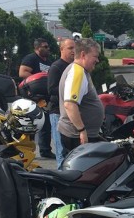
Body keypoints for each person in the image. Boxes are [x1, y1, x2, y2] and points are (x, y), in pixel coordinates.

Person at [58, 38, 104, 154]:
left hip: (80, 135)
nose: (97, 60)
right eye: (95, 56)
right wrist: (82, 130)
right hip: (77, 137)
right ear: (83, 55)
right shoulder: (77, 72)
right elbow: (70, 104)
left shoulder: (79, 71)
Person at [19, 38, 54, 159]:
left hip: (44, 97)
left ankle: (45, 150)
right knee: (29, 123)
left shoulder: (49, 62)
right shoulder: (31, 58)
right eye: (45, 47)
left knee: (45, 123)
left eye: (48, 46)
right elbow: (22, 72)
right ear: (38, 48)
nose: (48, 49)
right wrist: (38, 80)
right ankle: (25, 150)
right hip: (31, 95)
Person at [47, 38, 75, 169]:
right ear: (61, 49)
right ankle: (61, 175)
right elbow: (51, 89)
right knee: (61, 150)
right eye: (70, 48)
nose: (73, 51)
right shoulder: (56, 67)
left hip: (72, 113)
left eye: (75, 48)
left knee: (71, 150)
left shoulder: (75, 66)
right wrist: (71, 91)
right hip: (57, 113)